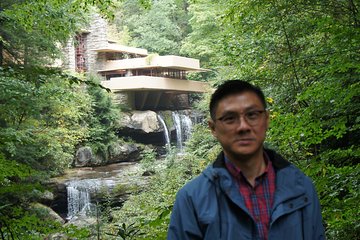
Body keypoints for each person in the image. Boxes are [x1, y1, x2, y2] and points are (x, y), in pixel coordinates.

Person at [167, 80, 325, 240]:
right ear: (213, 128)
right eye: (230, 118)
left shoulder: (301, 188)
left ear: (267, 119)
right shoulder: (191, 200)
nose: (243, 126)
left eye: (252, 115)